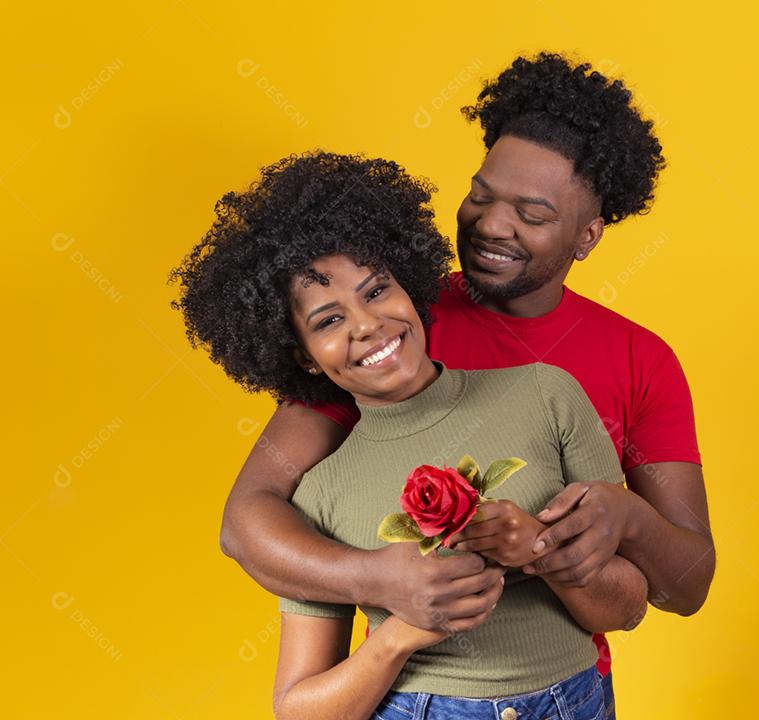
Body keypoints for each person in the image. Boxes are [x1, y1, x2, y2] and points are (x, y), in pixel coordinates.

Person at [218, 53, 715, 718]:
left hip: (568, 688)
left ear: (587, 235)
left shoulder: (635, 361)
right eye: (482, 195)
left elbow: (684, 587)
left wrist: (625, 518)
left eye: (532, 213)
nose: (491, 224)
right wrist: (384, 583)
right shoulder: (394, 331)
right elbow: (247, 522)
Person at [171, 151, 648, 718]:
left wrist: (540, 550)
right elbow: (299, 709)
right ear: (304, 357)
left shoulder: (548, 395)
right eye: (328, 320)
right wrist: (399, 633)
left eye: (376, 291)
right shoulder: (319, 493)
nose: (367, 324)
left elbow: (627, 607)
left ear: (410, 283)